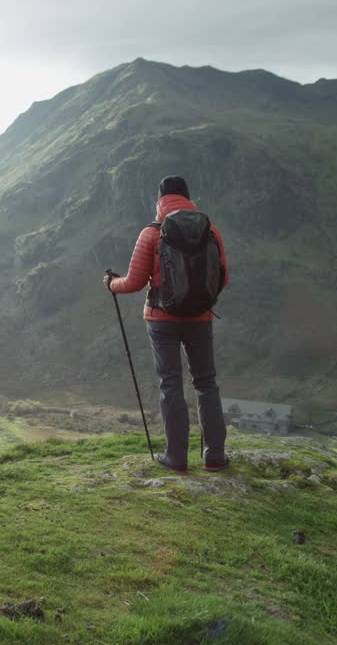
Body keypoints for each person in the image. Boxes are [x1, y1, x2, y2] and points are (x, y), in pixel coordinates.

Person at [103, 175, 230, 473]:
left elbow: (134, 283)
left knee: (171, 383)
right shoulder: (210, 230)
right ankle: (214, 455)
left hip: (161, 320)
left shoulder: (151, 234)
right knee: (206, 383)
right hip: (200, 318)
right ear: (189, 197)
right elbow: (223, 277)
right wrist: (199, 301)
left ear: (160, 199)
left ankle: (176, 457)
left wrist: (111, 284)